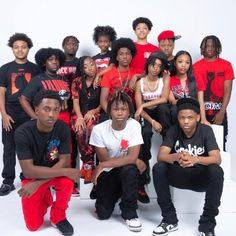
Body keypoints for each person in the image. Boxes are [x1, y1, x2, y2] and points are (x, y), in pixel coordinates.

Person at [152, 97, 224, 236]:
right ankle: (169, 220)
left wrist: (194, 159)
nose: (185, 121)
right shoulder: (173, 131)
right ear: (177, 118)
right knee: (159, 167)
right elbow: (161, 156)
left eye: (190, 118)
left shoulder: (206, 131)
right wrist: (176, 157)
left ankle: (207, 226)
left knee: (216, 170)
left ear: (197, 117)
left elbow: (217, 158)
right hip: (179, 175)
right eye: (182, 118)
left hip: (200, 178)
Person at [15, 90, 79, 236]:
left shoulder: (62, 127)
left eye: (56, 110)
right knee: (33, 226)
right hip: (33, 177)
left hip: (51, 173)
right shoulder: (22, 133)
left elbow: (63, 160)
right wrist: (64, 171)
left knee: (67, 183)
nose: (51, 114)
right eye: (46, 109)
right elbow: (28, 171)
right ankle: (45, 198)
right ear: (36, 111)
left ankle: (58, 217)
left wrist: (39, 184)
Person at [89, 91, 143, 232]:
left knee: (130, 168)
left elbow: (129, 159)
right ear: (109, 111)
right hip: (109, 172)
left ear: (129, 112)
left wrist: (103, 165)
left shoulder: (134, 126)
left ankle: (130, 213)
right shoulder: (99, 129)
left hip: (124, 171)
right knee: (103, 214)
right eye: (116, 109)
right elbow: (104, 159)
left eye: (123, 109)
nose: (120, 113)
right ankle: (117, 194)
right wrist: (132, 159)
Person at [0, 33, 40, 196]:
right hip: (11, 113)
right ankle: (7, 181)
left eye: (23, 46)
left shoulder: (35, 69)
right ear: (12, 49)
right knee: (9, 147)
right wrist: (4, 115)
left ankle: (29, 177)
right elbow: (1, 93)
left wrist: (35, 114)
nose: (20, 50)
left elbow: (40, 92)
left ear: (28, 48)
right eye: (16, 47)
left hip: (30, 113)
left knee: (32, 147)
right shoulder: (5, 69)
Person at [134, 51, 171, 203]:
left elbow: (163, 99)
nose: (155, 68)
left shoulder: (165, 79)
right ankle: (142, 182)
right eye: (153, 64)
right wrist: (152, 121)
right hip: (147, 116)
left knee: (163, 108)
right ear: (148, 65)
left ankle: (168, 143)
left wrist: (144, 104)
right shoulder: (140, 83)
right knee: (145, 134)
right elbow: (139, 110)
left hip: (160, 111)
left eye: (159, 66)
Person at [193, 35, 234, 151]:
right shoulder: (195, 67)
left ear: (218, 48)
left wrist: (222, 112)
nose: (210, 48)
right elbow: (194, 91)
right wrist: (199, 115)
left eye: (212, 46)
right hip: (200, 112)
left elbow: (228, 90)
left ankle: (221, 169)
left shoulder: (226, 65)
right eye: (207, 46)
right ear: (202, 48)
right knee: (200, 143)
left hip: (218, 111)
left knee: (220, 142)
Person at [19, 47, 70, 125]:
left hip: (65, 118)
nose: (54, 62)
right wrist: (35, 117)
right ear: (44, 63)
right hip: (46, 118)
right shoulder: (37, 80)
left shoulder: (65, 80)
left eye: (57, 59)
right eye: (50, 59)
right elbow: (23, 99)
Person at [71, 56, 101, 184]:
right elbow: (75, 102)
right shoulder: (77, 81)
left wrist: (94, 111)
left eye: (92, 64)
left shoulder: (101, 79)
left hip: (95, 112)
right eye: (85, 66)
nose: (90, 68)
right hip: (79, 114)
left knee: (91, 129)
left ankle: (88, 166)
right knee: (80, 131)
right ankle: (88, 164)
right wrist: (80, 118)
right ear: (82, 69)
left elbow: (103, 102)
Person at [58, 35, 80, 196]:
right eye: (68, 43)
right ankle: (56, 177)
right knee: (59, 147)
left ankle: (71, 180)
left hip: (76, 109)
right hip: (60, 111)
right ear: (63, 46)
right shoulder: (57, 62)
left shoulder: (80, 63)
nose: (71, 46)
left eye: (74, 43)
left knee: (74, 147)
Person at [100, 37, 137, 122]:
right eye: (121, 54)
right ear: (116, 57)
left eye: (128, 54)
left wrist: (137, 76)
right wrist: (112, 115)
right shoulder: (109, 74)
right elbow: (103, 100)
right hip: (111, 110)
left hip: (131, 111)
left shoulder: (137, 72)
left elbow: (148, 73)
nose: (124, 57)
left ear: (132, 56)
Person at [169, 50, 198, 124]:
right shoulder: (169, 80)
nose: (183, 65)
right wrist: (185, 101)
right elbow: (172, 101)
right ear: (175, 63)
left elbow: (200, 100)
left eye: (187, 62)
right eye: (180, 62)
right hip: (177, 109)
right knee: (174, 110)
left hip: (193, 108)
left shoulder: (195, 79)